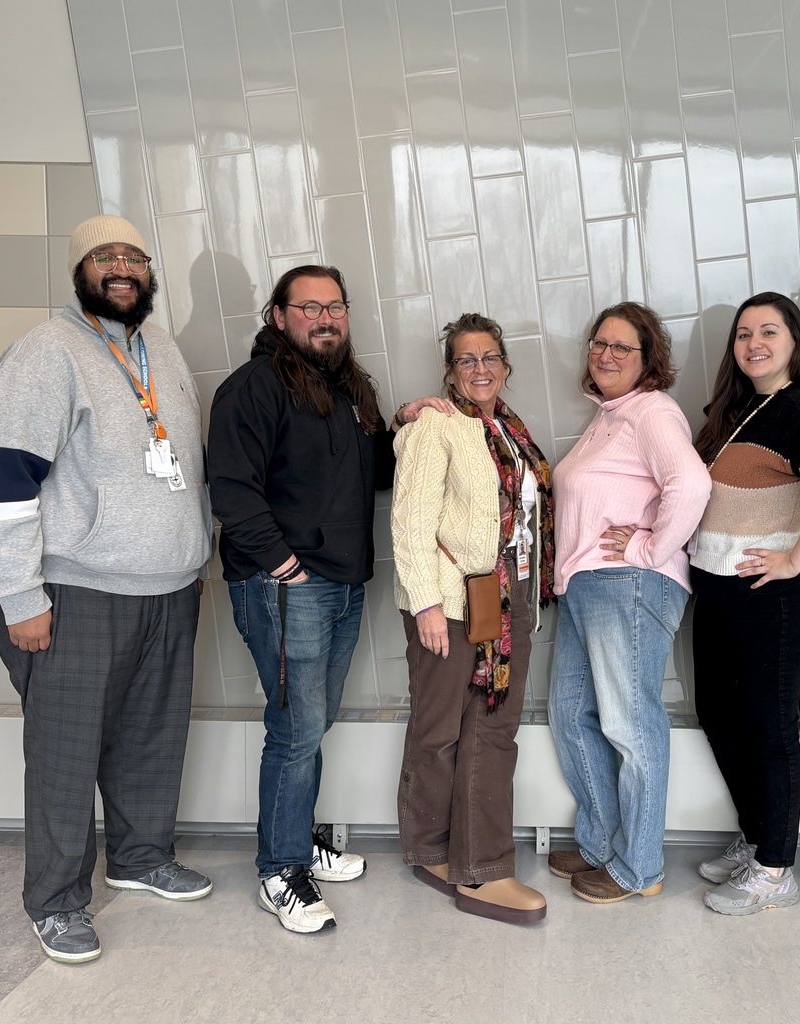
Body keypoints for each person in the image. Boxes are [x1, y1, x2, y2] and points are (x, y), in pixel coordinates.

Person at [0, 215, 215, 964]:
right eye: (104, 257)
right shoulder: (46, 353)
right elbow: (0, 480)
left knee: (150, 739)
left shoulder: (160, 348)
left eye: (134, 257)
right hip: (76, 589)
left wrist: (193, 554)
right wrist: (22, 598)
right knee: (65, 754)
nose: (122, 268)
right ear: (80, 271)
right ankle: (55, 902)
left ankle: (140, 858)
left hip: (169, 586)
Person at [207, 265, 444, 934]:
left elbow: (372, 473)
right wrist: (282, 564)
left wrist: (404, 426)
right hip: (285, 586)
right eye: (309, 307)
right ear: (278, 317)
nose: (325, 318)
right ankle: (280, 869)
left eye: (334, 306)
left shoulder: (347, 388)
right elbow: (231, 489)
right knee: (295, 729)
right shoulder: (252, 388)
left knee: (311, 723)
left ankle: (296, 838)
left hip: (340, 584)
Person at [688, 292, 800, 916]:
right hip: (720, 591)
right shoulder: (737, 411)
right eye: (744, 334)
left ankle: (773, 871)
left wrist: (794, 558)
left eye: (769, 331)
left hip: (779, 595)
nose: (754, 343)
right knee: (720, 715)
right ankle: (758, 837)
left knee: (768, 727)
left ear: (794, 341)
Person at [391, 313, 555, 925]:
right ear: (450, 370)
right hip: (450, 599)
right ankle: (431, 850)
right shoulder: (435, 425)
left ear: (505, 365)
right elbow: (410, 521)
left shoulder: (511, 429)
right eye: (467, 359)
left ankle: (481, 863)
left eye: (490, 357)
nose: (480, 368)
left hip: (508, 599)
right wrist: (427, 605)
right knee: (438, 731)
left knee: (494, 730)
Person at [546, 302, 711, 904]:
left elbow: (691, 484)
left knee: (629, 723)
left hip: (627, 584)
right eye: (599, 343)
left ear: (648, 359)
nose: (606, 354)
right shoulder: (609, 418)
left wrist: (647, 548)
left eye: (622, 347)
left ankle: (640, 867)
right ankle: (601, 844)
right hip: (586, 585)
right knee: (572, 717)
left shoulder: (652, 411)